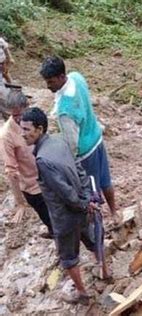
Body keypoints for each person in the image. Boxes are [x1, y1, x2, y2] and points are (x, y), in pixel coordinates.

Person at [21, 107, 110, 305]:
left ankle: (82, 293)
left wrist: (82, 203)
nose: (23, 134)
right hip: (83, 208)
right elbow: (79, 168)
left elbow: (65, 193)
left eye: (27, 130)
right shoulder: (60, 142)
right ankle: (105, 271)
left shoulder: (43, 159)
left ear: (40, 129)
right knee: (93, 239)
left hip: (65, 217)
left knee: (68, 257)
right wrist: (88, 199)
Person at [39, 56, 118, 220]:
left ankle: (97, 227)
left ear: (61, 77)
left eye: (51, 81)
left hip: (86, 152)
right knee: (105, 181)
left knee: (91, 193)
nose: (48, 86)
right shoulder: (76, 77)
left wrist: (69, 165)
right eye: (46, 81)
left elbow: (72, 144)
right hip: (96, 137)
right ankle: (114, 212)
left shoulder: (65, 111)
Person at [0, 91, 53, 237]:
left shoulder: (34, 120)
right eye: (14, 115)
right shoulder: (6, 136)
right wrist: (20, 203)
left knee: (61, 214)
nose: (18, 119)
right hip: (34, 187)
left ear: (27, 107)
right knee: (49, 218)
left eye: (20, 114)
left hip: (49, 176)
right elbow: (11, 172)